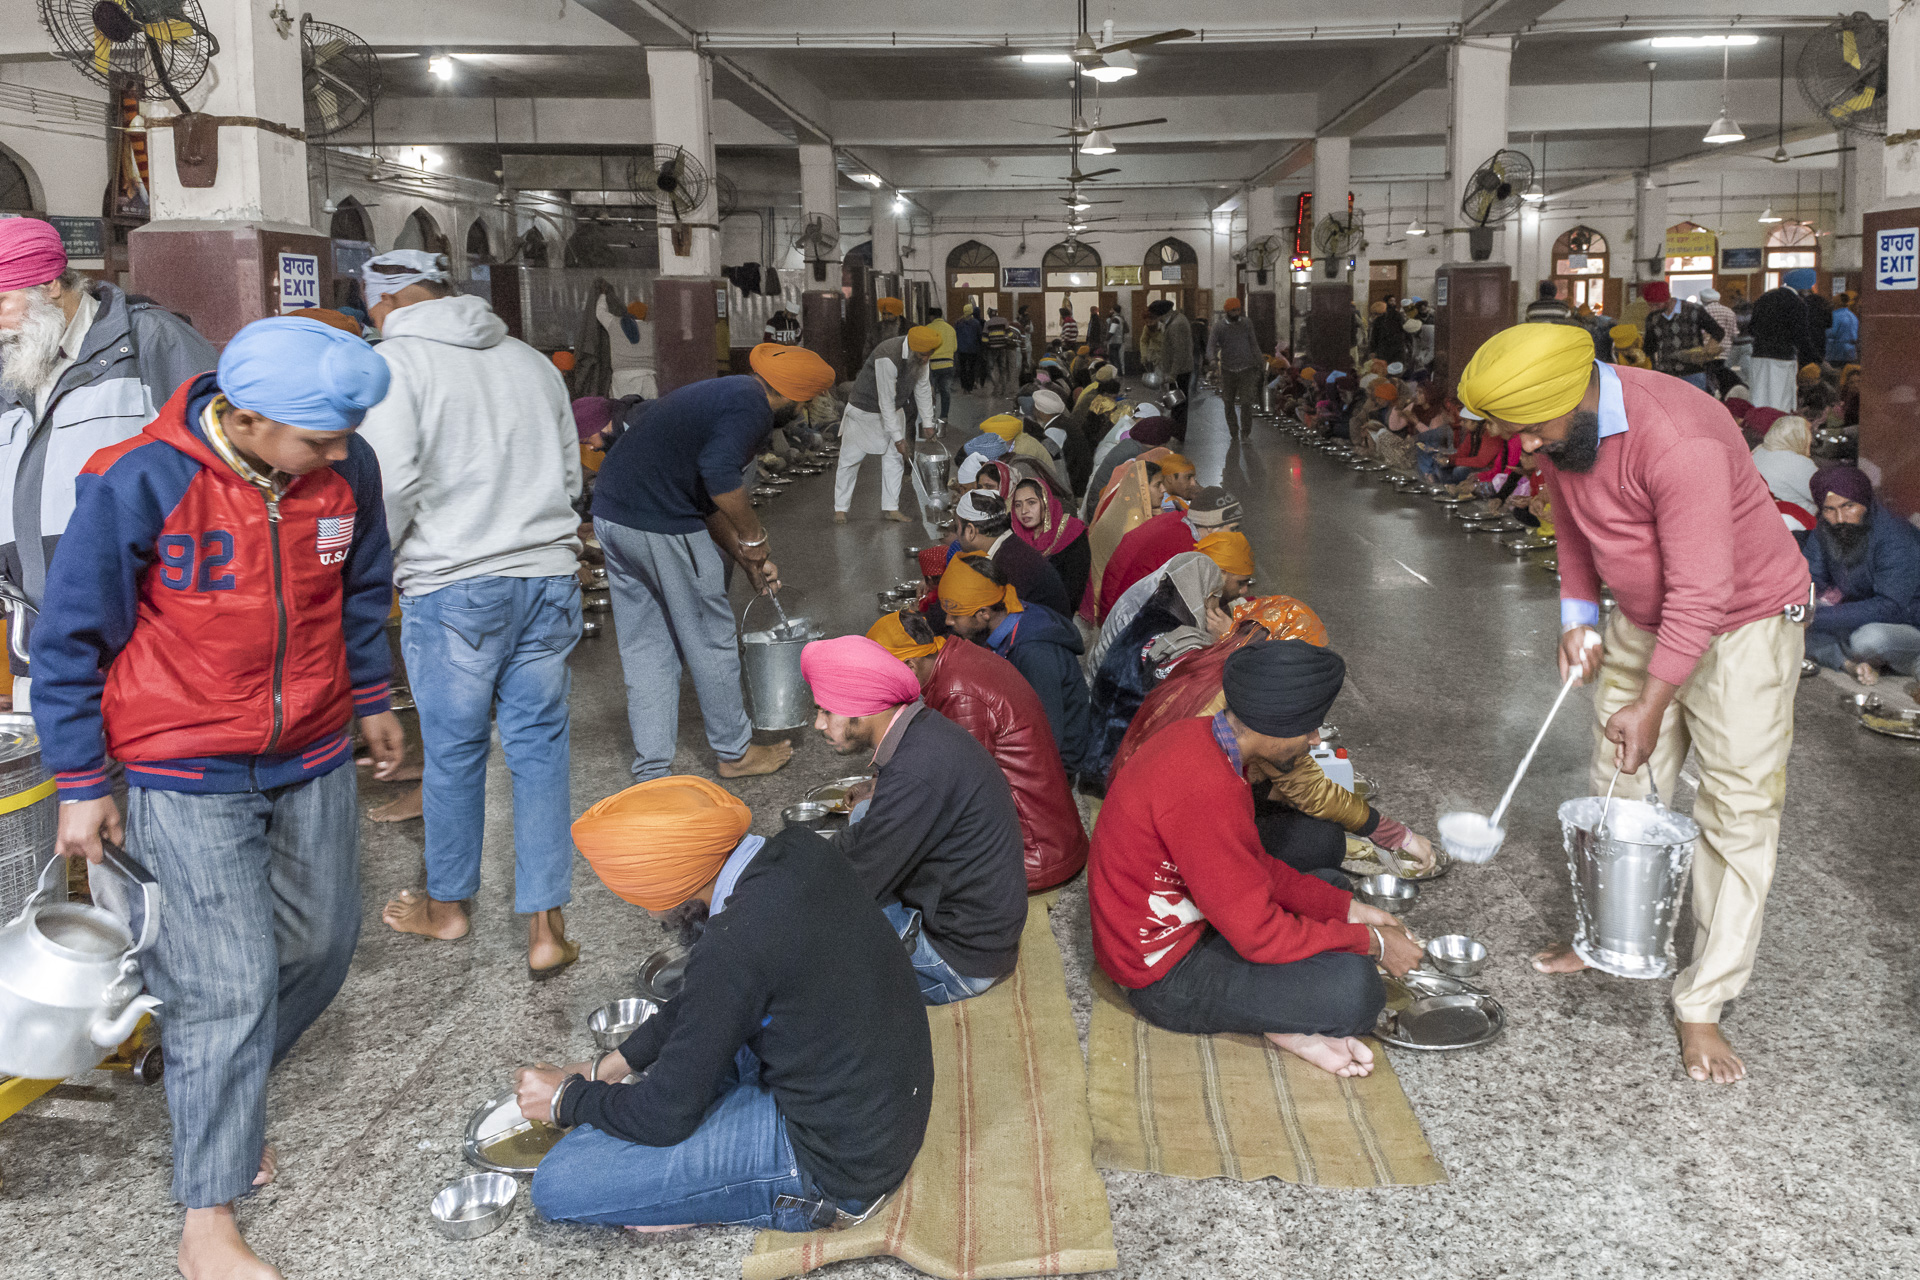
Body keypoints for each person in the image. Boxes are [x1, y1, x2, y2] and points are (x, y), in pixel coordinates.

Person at [33, 317, 406, 1280]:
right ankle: (209, 1220)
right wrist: (80, 782)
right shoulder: (138, 480)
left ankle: (216, 1092)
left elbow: (360, 589)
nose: (341, 455)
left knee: (322, 943)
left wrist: (369, 697)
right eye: (319, 439)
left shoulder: (342, 471)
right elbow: (70, 640)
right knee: (224, 987)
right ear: (242, 418)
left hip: (313, 749)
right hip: (180, 762)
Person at [1458, 323, 1812, 1085]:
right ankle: (1607, 938)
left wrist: (1653, 702)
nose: (1524, 447)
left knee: (1737, 807)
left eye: (1532, 430)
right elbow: (1579, 529)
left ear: (1578, 398)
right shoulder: (1565, 436)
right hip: (1644, 617)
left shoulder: (1677, 437)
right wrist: (1579, 620)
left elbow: (1704, 592)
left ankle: (1703, 1002)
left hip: (1743, 625)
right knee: (1618, 785)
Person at [527, 777, 932, 1231]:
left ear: (662, 888)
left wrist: (566, 1099)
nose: (646, 913)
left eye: (638, 897)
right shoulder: (798, 850)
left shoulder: (734, 944)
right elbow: (708, 996)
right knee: (674, 1078)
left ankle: (708, 1197)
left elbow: (664, 1118)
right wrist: (615, 1063)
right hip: (882, 1113)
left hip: (837, 1166)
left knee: (560, 1179)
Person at [353, 250, 587, 978]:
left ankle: (449, 908)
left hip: (454, 585)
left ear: (384, 304)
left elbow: (391, 483)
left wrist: (375, 566)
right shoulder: (528, 359)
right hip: (547, 576)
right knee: (540, 753)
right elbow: (571, 471)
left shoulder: (396, 363)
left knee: (455, 754)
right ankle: (547, 928)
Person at [1089, 640, 1423, 1078]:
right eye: (1308, 728)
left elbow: (1251, 862)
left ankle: (1280, 1013)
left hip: (1197, 919)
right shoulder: (1204, 786)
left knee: (1333, 887)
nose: (1314, 739)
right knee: (1357, 992)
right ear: (1271, 723)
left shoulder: (1204, 739)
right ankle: (1280, 1022)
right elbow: (1258, 936)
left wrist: (1349, 910)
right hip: (1160, 973)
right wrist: (1372, 943)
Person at [592, 342, 835, 782]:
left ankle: (652, 766)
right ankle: (734, 752)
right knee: (711, 638)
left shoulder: (729, 391)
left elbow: (703, 496)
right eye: (807, 403)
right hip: (660, 520)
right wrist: (754, 536)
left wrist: (743, 558)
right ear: (796, 397)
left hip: (612, 515)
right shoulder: (753, 409)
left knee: (647, 646)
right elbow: (722, 479)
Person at [0, 216, 217, 709]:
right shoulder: (11, 366)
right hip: (42, 642)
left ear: (51, 285)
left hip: (148, 642)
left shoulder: (151, 343)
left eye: (2, 302)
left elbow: (222, 466)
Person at [802, 635, 1028, 1002]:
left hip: (960, 959)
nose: (818, 724)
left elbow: (854, 881)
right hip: (977, 922)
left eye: (826, 710)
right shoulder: (922, 729)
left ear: (862, 705)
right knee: (862, 814)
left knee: (810, 938)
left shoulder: (915, 773)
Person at [868, 609, 1088, 890]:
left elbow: (956, 792)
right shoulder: (956, 655)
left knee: (901, 867)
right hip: (1051, 835)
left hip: (1033, 853)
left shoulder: (958, 693)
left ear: (909, 666)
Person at [939, 552, 1094, 780]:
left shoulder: (1036, 653)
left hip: (1054, 766)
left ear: (983, 613)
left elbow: (1046, 737)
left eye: (955, 615)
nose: (948, 622)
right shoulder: (1009, 616)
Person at [1801, 465, 1920, 683]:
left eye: (1849, 506)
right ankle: (1849, 664)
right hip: (1857, 614)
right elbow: (1810, 580)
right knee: (1787, 624)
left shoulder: (1895, 536)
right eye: (1829, 509)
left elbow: (1891, 608)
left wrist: (1813, 617)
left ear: (1864, 501)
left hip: (1906, 623)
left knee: (1867, 640)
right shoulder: (1826, 529)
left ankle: (1910, 660)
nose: (1840, 518)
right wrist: (1797, 608)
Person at [837, 326, 938, 523]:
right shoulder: (887, 355)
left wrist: (928, 422)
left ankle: (891, 508)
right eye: (923, 355)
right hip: (863, 410)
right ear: (913, 349)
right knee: (850, 459)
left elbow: (923, 388)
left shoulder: (920, 355)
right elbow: (886, 401)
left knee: (895, 460)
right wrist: (899, 438)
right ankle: (840, 508)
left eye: (930, 355)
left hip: (894, 410)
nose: (926, 359)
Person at [1098, 486, 1242, 619]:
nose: (1236, 536)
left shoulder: (1178, 521)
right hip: (1130, 624)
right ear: (1211, 527)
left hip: (1114, 606)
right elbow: (1200, 610)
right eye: (1233, 529)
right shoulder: (1187, 551)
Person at [953, 488, 1073, 617]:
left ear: (970, 531)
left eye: (956, 527)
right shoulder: (1011, 547)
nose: (956, 536)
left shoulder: (1008, 566)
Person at [1009, 475, 1092, 611]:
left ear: (1046, 502)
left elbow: (1073, 592)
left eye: (1031, 502)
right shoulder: (1016, 536)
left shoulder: (1072, 533)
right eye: (1018, 505)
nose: (1024, 511)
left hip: (1063, 613)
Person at [1748, 275, 1817, 412]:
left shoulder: (1764, 298)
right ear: (1803, 287)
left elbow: (1751, 328)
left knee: (1758, 397)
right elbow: (1800, 335)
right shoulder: (1797, 303)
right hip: (1782, 358)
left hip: (1759, 356)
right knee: (1780, 400)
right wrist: (1816, 359)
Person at [1640, 281, 1724, 391]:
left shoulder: (1694, 310)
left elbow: (1718, 331)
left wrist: (1708, 349)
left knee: (1693, 407)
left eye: (1656, 304)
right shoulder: (1652, 318)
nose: (1653, 309)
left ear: (1668, 299)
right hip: (1666, 375)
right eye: (1650, 305)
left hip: (1693, 373)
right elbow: (1649, 348)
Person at [1206, 298, 1264, 439]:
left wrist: (1260, 361)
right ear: (1227, 311)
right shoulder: (1219, 327)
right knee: (1228, 401)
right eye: (1233, 310)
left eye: (1238, 309)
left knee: (1246, 402)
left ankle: (1245, 432)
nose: (1236, 312)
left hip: (1247, 368)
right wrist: (1212, 359)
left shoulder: (1246, 323)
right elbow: (1211, 345)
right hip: (1227, 369)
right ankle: (1233, 431)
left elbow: (1253, 343)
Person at [1750, 414, 1820, 524]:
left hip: (1762, 516)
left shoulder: (1758, 452)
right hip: (1797, 522)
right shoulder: (1798, 462)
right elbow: (1821, 495)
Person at [592, 286, 657, 397]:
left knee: (622, 411)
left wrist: (603, 294)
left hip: (621, 379)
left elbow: (600, 312)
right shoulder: (653, 328)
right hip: (647, 377)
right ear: (645, 315)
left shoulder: (615, 324)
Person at [1150, 298, 1195, 415]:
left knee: (1178, 405)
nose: (1158, 320)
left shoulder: (1176, 324)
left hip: (1180, 371)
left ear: (1162, 314)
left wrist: (1173, 374)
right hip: (1178, 370)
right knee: (1177, 405)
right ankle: (1177, 429)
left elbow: (1179, 352)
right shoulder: (1175, 320)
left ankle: (1178, 431)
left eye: (1157, 316)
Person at [925, 306, 957, 423]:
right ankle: (944, 416)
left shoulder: (928, 328)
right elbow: (954, 348)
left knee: (930, 392)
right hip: (948, 364)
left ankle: (930, 417)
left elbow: (925, 347)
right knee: (945, 391)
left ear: (931, 317)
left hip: (932, 365)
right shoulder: (950, 329)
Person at [983, 308, 1019, 397]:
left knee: (991, 368)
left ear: (990, 315)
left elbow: (984, 339)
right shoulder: (1004, 321)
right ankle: (1003, 390)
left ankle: (996, 387)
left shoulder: (987, 323)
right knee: (1002, 368)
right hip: (1003, 348)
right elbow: (1009, 334)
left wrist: (985, 349)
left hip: (992, 349)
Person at [955, 303, 984, 392]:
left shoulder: (958, 322)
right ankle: (970, 387)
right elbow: (980, 336)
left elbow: (955, 335)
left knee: (963, 369)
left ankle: (964, 386)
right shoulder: (976, 323)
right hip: (973, 349)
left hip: (961, 349)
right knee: (971, 368)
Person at [1825, 291, 1859, 366]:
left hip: (1836, 353)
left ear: (1837, 302)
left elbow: (1831, 333)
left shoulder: (1834, 315)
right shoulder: (1853, 316)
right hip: (1851, 352)